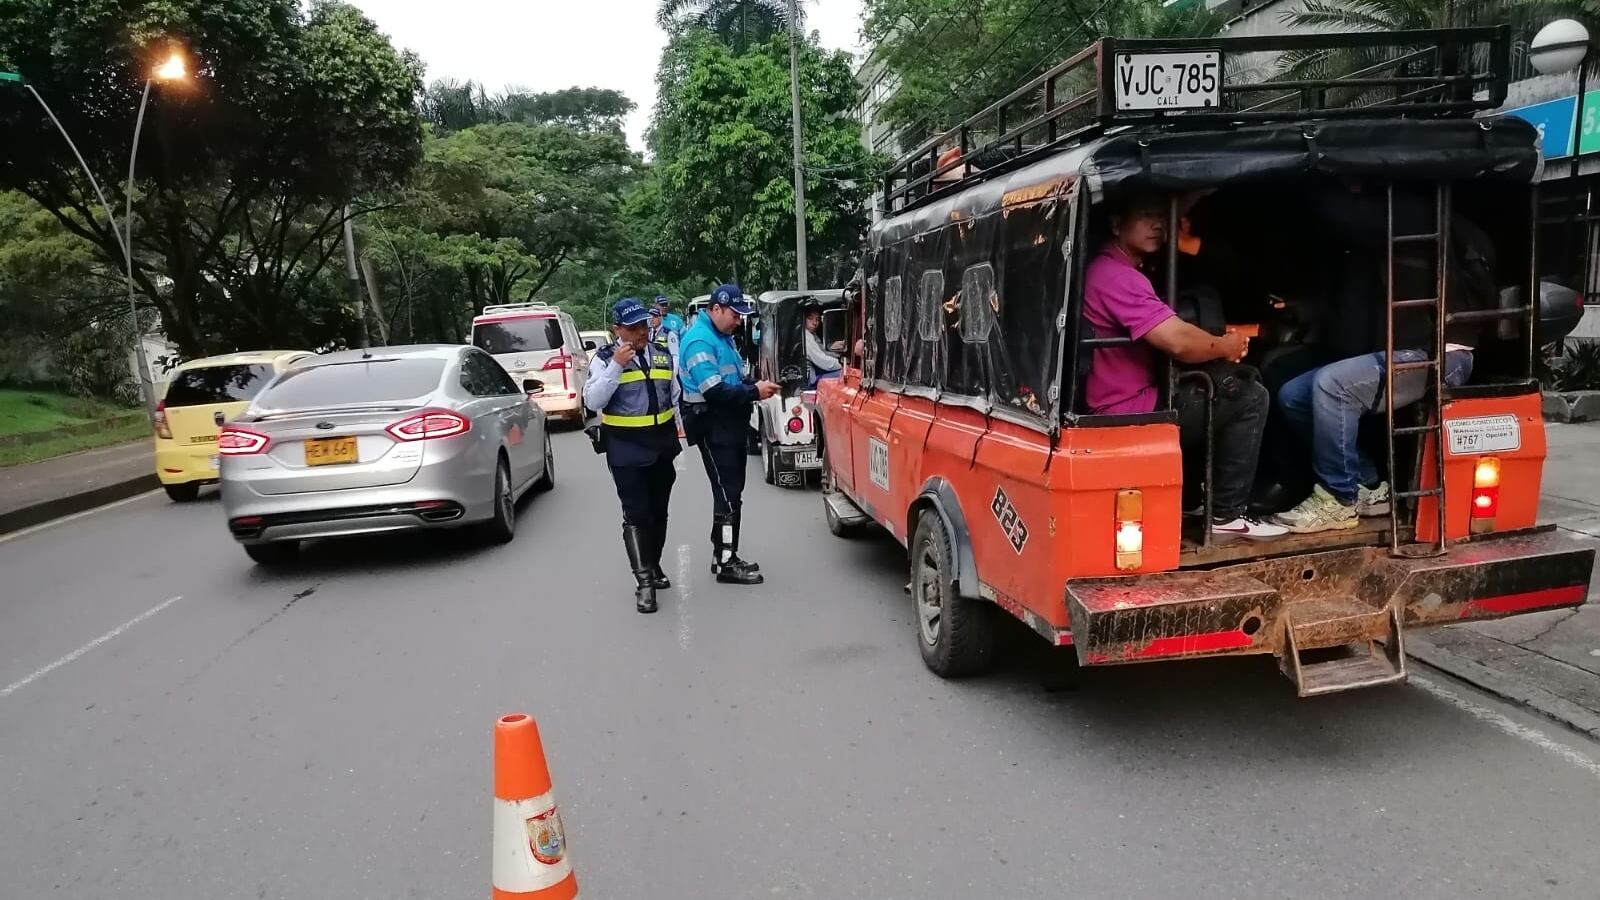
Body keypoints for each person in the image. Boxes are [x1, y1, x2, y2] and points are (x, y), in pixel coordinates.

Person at [1271, 182, 1489, 533]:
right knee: (1293, 395)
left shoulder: (1411, 209)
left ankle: (1337, 500)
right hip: (1401, 351)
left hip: (1439, 356)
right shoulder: (1377, 225)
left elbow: (1337, 211)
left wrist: (1306, 176)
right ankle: (1368, 485)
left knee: (1333, 385)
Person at [1083, 193, 1287, 542]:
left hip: (1128, 393)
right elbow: (1176, 339)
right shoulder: (1118, 276)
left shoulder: (1113, 269)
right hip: (1130, 405)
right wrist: (1225, 344)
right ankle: (1227, 514)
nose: (1158, 225)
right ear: (1117, 224)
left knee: (1225, 382)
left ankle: (1194, 497)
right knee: (1248, 396)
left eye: (1162, 217)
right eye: (1146, 215)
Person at [583, 298, 682, 613]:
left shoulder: (663, 355)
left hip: (662, 445)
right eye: (632, 328)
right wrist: (616, 366)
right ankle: (644, 584)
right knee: (637, 514)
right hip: (625, 448)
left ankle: (653, 565)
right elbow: (594, 400)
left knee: (659, 512)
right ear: (617, 330)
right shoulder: (603, 360)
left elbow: (674, 397)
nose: (640, 332)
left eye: (643, 325)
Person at [679, 284, 780, 584]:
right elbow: (714, 390)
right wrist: (753, 391)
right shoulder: (699, 341)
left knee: (731, 493)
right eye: (735, 315)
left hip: (728, 425)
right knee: (727, 495)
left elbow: (733, 376)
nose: (739, 321)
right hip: (712, 425)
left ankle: (723, 554)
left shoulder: (722, 338)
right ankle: (726, 563)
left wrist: (754, 383)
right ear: (716, 309)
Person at [802, 301, 843, 384]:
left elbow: (821, 350)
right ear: (803, 319)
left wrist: (832, 348)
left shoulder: (812, 334)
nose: (814, 323)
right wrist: (843, 365)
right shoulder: (806, 336)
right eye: (810, 318)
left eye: (817, 319)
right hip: (811, 380)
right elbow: (823, 362)